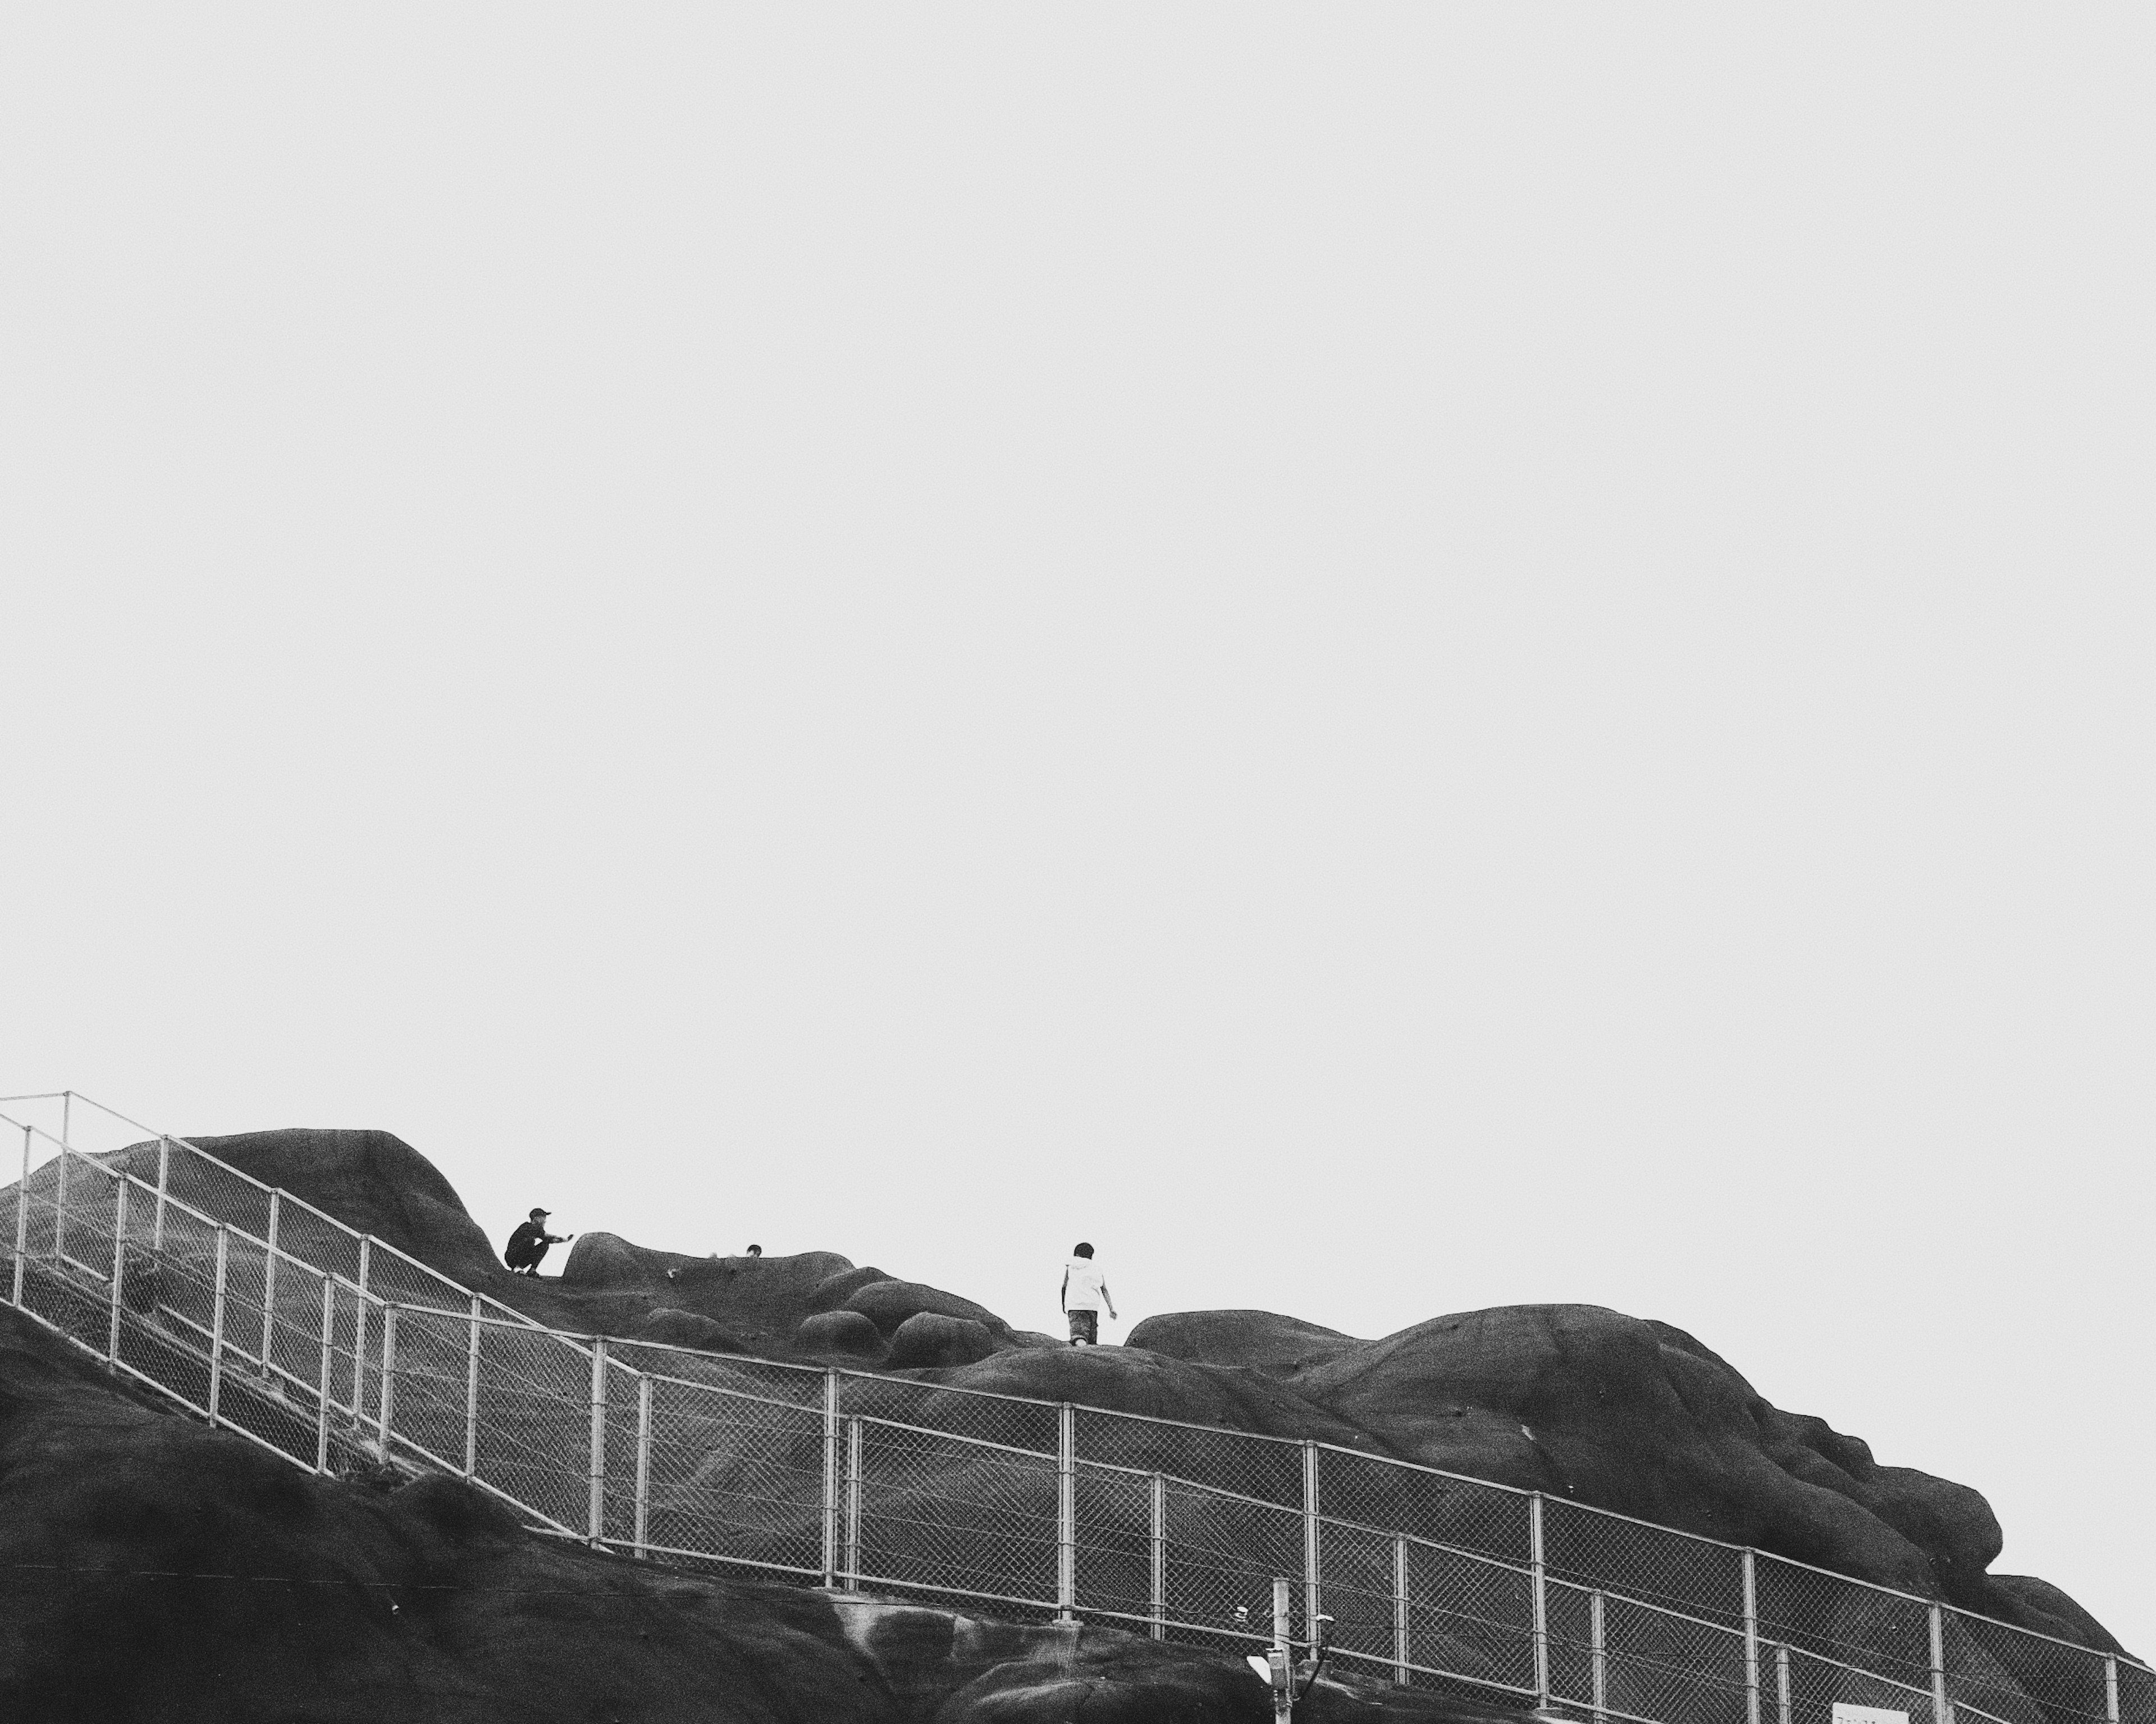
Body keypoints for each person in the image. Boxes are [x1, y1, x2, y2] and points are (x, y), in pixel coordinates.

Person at [1060, 1242, 1116, 1346]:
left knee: (1079, 1336)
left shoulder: (1071, 1266)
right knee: (1091, 1340)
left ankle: (1081, 1353)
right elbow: (1104, 1289)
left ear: (1076, 1254)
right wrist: (1111, 1308)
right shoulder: (1097, 1268)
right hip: (1092, 1307)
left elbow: (1064, 1286)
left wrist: (1064, 1305)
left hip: (1075, 1306)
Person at [503, 1208, 573, 1277]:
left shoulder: (538, 1230)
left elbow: (550, 1240)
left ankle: (532, 1270)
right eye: (543, 1218)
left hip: (524, 1258)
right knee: (530, 1241)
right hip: (512, 1257)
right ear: (537, 1219)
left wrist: (565, 1240)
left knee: (545, 1244)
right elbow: (549, 1236)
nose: (545, 1221)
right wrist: (564, 1239)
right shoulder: (526, 1226)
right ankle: (517, 1267)